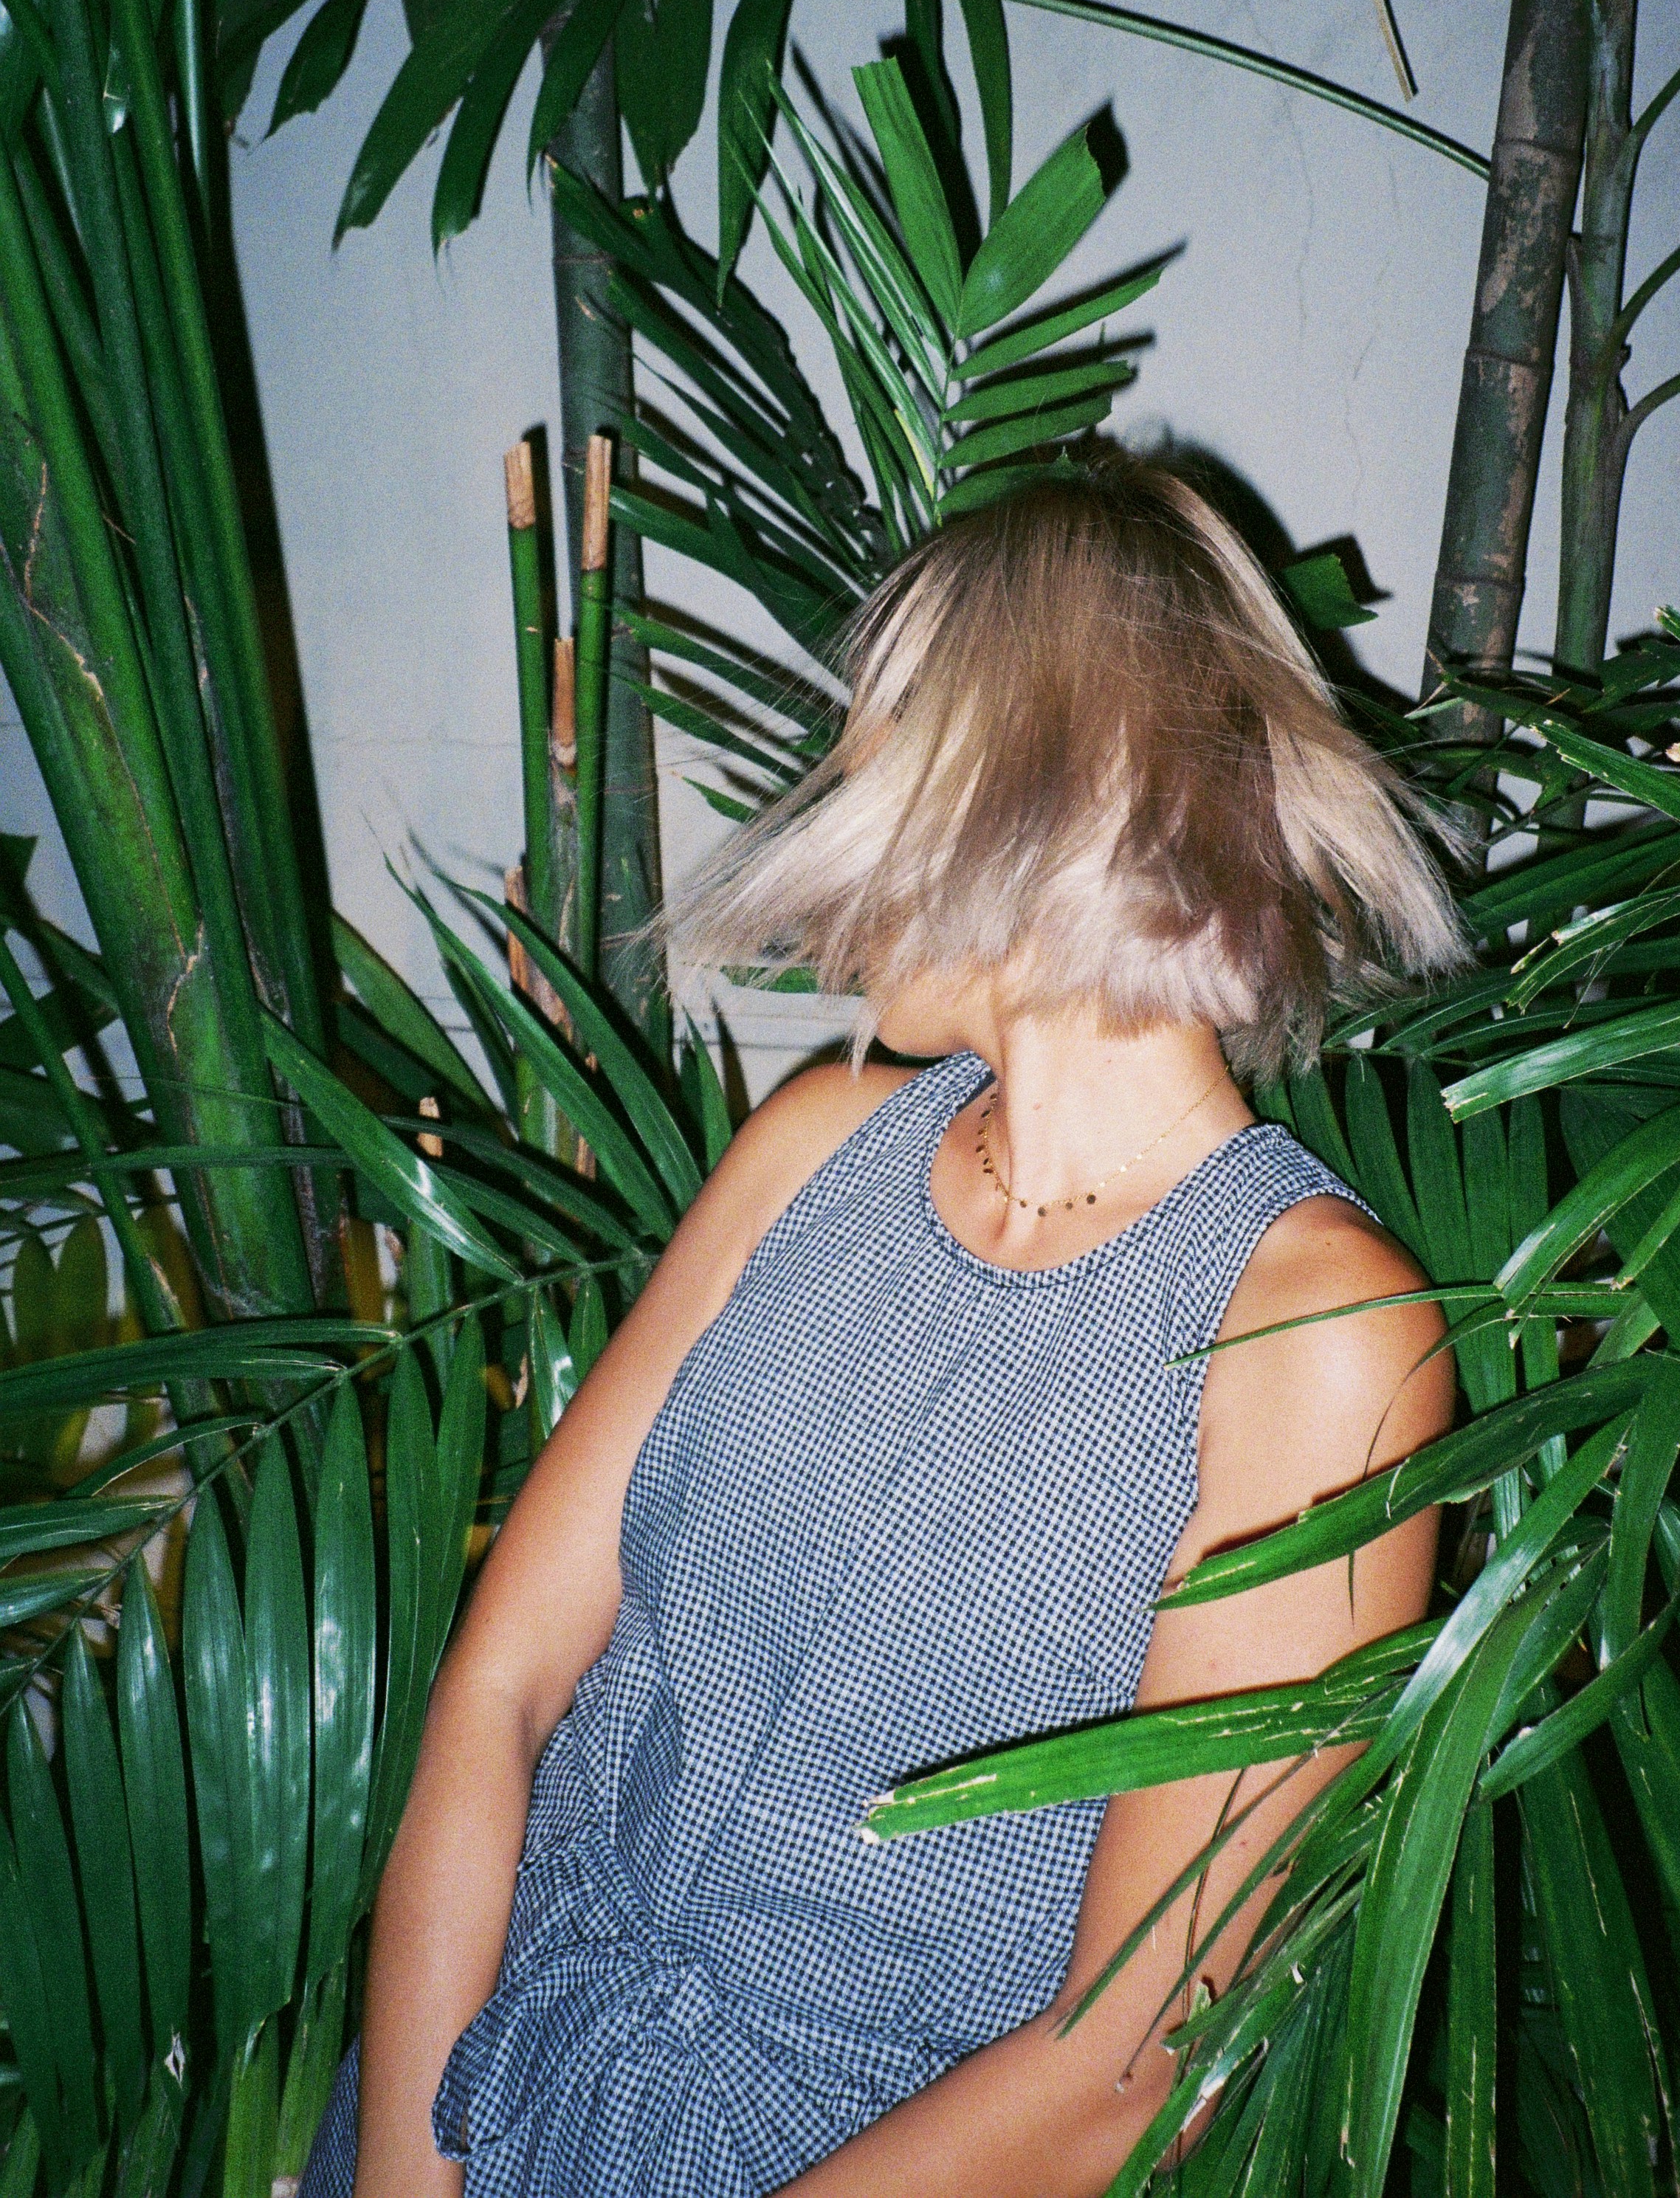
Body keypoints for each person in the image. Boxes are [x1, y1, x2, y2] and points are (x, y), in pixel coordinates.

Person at [302, 460, 1464, 2198]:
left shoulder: (1314, 1333)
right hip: (489, 2075)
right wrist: (405, 2168)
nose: (831, 811)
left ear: (1036, 785)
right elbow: (503, 1680)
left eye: (869, 751)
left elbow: (1132, 2060)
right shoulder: (810, 1147)